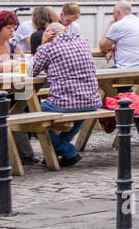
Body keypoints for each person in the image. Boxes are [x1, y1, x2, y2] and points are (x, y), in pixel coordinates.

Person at [26, 21, 101, 168]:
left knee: (29, 118)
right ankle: (62, 150)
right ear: (65, 31)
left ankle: (67, 151)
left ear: (48, 35)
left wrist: (42, 44)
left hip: (64, 103)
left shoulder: (48, 47)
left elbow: (31, 72)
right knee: (79, 111)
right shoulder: (83, 44)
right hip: (93, 101)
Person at [95, 1, 139, 69]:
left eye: (113, 13)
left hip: (130, 69)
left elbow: (102, 47)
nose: (113, 15)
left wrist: (110, 25)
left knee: (99, 77)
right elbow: (128, 44)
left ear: (117, 12)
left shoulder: (118, 25)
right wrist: (112, 49)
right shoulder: (137, 21)